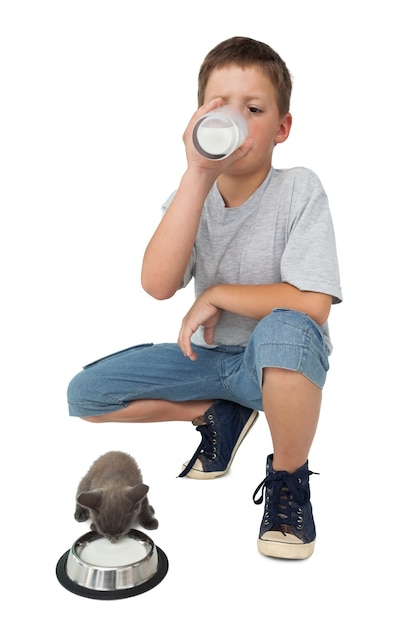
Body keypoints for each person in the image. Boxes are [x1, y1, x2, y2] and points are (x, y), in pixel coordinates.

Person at [67, 36, 342, 560]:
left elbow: (314, 303)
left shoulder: (299, 189)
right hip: (210, 363)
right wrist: (197, 173)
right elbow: (158, 284)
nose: (235, 121)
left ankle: (288, 480)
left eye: (254, 109)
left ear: (281, 128)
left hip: (278, 363)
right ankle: (221, 413)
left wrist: (218, 293)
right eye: (220, 109)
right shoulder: (193, 193)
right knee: (87, 397)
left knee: (285, 325)